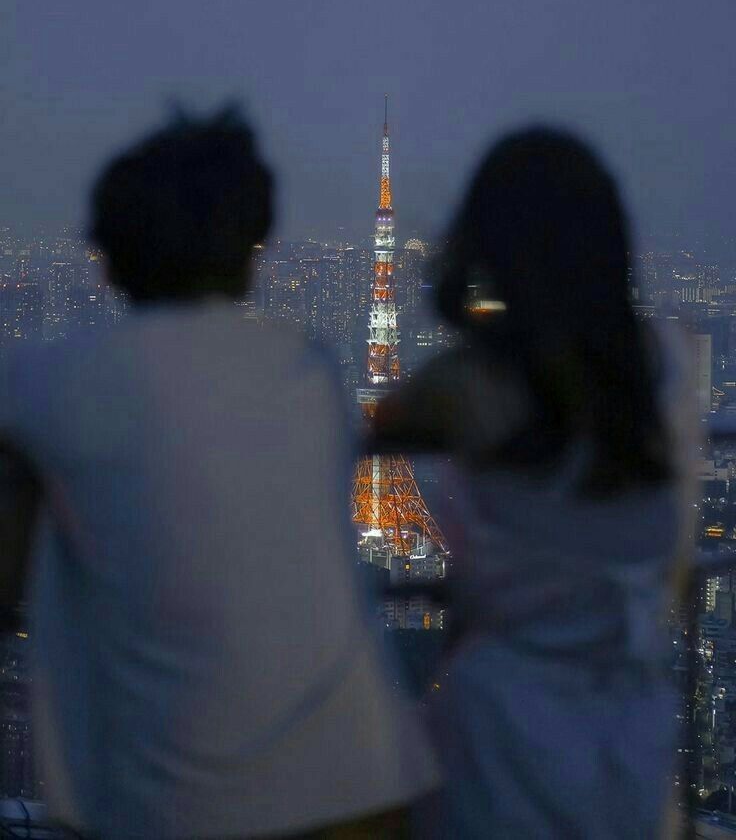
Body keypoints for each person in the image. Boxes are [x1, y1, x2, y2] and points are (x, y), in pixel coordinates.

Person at [0, 107, 438, 840]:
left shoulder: (61, 377)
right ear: (251, 254)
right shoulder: (311, 371)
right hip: (351, 785)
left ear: (105, 256)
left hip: (163, 803)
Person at [372, 127, 697, 840]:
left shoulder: (473, 382)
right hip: (629, 733)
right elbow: (670, 562)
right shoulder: (667, 365)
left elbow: (377, 420)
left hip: (501, 734)